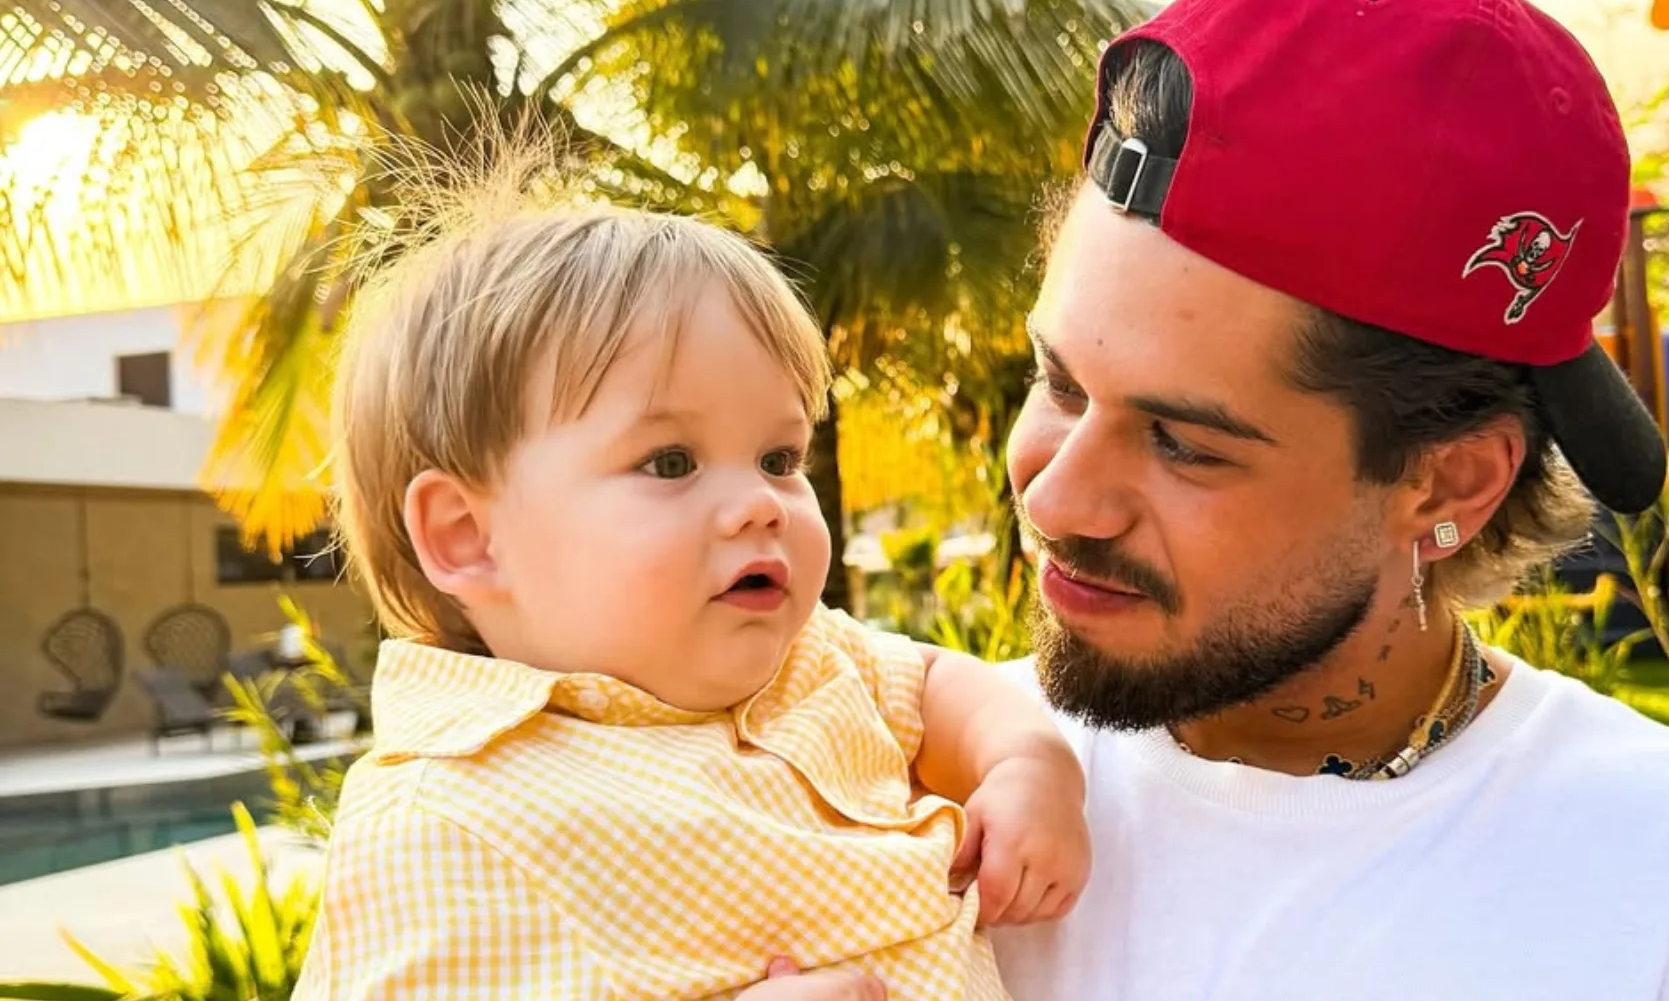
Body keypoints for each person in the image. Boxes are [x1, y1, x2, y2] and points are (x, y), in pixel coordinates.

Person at [962, 0, 1669, 1001]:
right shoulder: (882, 782)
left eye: (1184, 443)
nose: (1055, 497)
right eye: (1058, 382)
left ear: (1450, 486)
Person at [292, 168, 1088, 1000]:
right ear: (468, 537)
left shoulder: (809, 661)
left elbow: (932, 684)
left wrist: (1026, 761)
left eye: (779, 458)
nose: (761, 503)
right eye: (670, 462)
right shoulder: (447, 819)